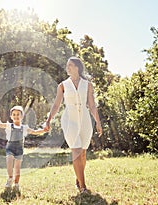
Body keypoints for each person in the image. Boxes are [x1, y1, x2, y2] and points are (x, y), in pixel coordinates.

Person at [44, 56, 102, 194]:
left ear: (77, 67)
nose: (67, 67)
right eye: (67, 65)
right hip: (69, 120)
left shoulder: (87, 84)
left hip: (85, 120)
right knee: (75, 150)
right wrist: (48, 119)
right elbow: (57, 104)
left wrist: (98, 122)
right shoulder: (63, 85)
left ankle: (78, 177)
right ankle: (83, 187)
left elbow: (92, 105)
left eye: (70, 65)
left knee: (82, 153)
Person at [0, 105, 47, 190]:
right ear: (11, 116)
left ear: (22, 116)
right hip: (10, 148)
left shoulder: (24, 128)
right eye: (14, 114)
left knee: (17, 168)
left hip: (19, 150)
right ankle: (10, 179)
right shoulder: (9, 126)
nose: (16, 116)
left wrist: (43, 130)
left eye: (18, 114)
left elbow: (34, 132)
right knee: (9, 162)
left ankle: (16, 183)